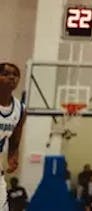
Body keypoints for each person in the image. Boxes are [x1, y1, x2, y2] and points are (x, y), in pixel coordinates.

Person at [0, 62, 24, 211]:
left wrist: (13, 156)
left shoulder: (20, 109)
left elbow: (14, 139)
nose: (11, 77)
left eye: (15, 75)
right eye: (6, 74)